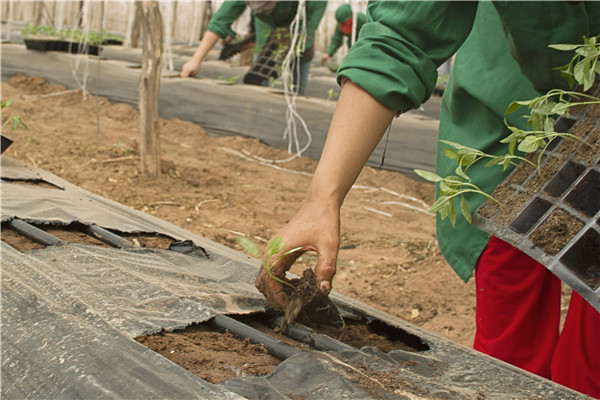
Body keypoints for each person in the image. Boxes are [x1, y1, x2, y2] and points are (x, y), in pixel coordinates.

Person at [254, 2, 600, 398]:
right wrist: (322, 199)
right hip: (509, 137)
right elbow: (402, 33)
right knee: (508, 354)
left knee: (592, 360)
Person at [181, 1, 326, 96]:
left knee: (297, 92)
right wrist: (196, 59)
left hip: (300, 33)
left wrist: (282, 49)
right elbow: (220, 21)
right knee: (258, 80)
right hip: (266, 31)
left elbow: (308, 26)